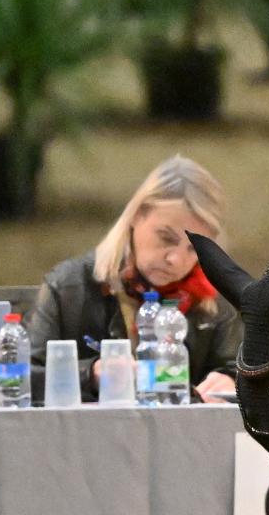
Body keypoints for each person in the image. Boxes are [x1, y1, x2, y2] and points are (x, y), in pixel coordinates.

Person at [27, 155, 243, 399]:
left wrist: (231, 382)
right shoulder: (69, 287)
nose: (175, 259)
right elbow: (18, 379)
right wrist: (90, 374)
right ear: (136, 215)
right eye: (166, 238)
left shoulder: (214, 298)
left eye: (194, 249)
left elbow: (250, 375)